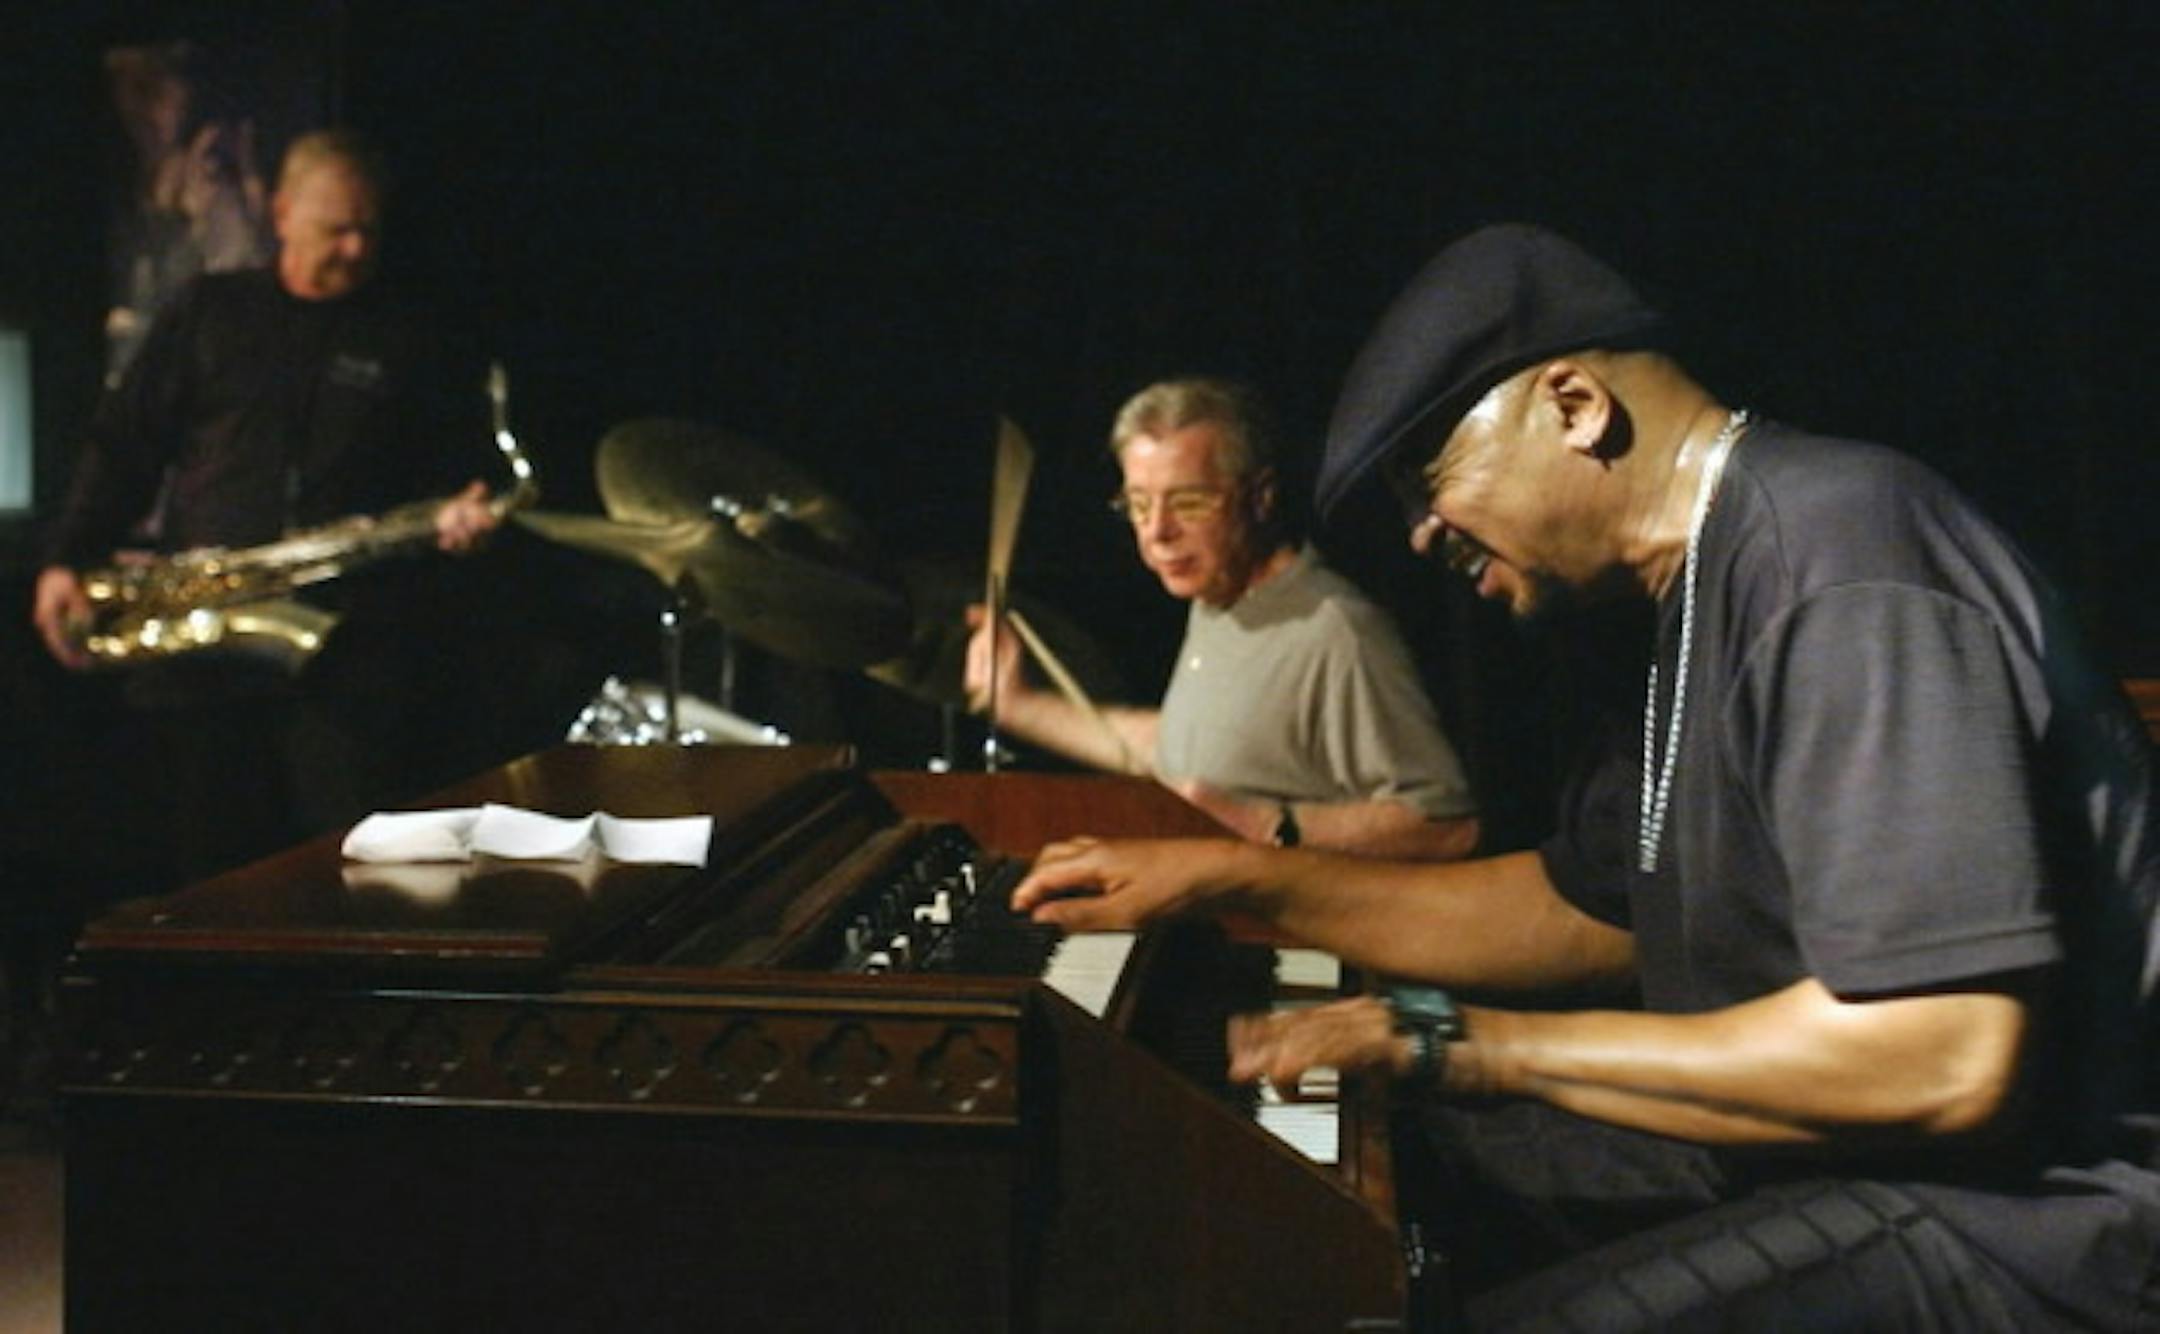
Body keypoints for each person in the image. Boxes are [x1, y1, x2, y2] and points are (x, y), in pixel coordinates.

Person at [1011, 225, 2160, 1328]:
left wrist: (1459, 1040)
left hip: (2028, 1227)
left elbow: (1940, 1051)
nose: (1421, 533)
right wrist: (1234, 879)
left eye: (1430, 475)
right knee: (1385, 1175)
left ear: (1574, 404)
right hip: (1826, 1152)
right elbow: (1583, 911)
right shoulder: (1679, 602)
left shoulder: (1844, 560)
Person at [28, 128, 511, 884]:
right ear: (282, 213)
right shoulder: (209, 310)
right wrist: (67, 556)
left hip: (347, 655)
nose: (356, 247)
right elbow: (123, 445)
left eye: (369, 229)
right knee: (202, 871)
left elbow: (458, 473)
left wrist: (462, 517)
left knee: (354, 872)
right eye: (336, 229)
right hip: (205, 648)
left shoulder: (412, 335)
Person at [966, 377, 1480, 860]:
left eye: (1189, 503)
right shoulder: (1216, 602)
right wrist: (1017, 705)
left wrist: (1273, 827)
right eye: (1139, 505)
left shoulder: (1334, 630)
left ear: (1260, 497)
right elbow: (1192, 756)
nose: (1157, 531)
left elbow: (1447, 825)